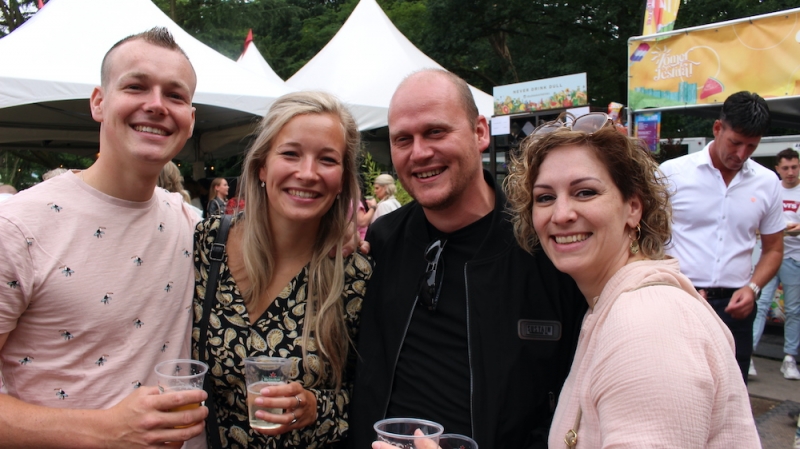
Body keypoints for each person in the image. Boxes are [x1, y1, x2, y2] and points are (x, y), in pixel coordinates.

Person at [349, 69, 585, 449]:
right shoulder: (383, 241)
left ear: (480, 132)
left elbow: (577, 406)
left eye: (435, 132)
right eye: (403, 139)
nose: (419, 152)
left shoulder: (544, 249)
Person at [0, 27, 207, 447]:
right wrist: (106, 431)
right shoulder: (16, 227)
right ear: (98, 101)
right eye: (136, 86)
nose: (156, 105)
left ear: (190, 119)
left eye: (174, 95)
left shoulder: (192, 225)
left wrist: (339, 236)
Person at [504, 116, 760, 448]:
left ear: (633, 208)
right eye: (544, 197)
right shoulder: (614, 304)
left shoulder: (647, 322)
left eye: (585, 192)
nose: (561, 213)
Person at [193, 91, 372, 448]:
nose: (307, 173)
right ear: (262, 166)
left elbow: (372, 396)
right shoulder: (208, 242)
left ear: (342, 179)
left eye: (327, 159)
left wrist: (316, 407)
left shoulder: (354, 275)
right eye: (290, 154)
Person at [660, 91, 783, 383]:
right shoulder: (672, 174)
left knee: (732, 389)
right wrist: (668, 282)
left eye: (751, 146)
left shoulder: (767, 183)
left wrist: (753, 288)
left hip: (735, 307)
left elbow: (774, 249)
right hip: (678, 297)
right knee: (675, 384)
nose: (741, 154)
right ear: (718, 128)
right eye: (735, 142)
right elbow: (645, 238)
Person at [751, 148, 800, 380]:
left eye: (794, 167)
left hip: (794, 257)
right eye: (786, 168)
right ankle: (749, 353)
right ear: (778, 169)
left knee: (794, 309)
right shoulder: (772, 190)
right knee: (759, 305)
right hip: (769, 256)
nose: (790, 172)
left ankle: (789, 358)